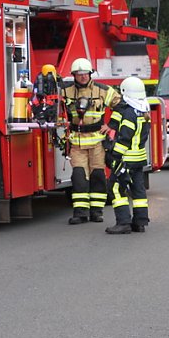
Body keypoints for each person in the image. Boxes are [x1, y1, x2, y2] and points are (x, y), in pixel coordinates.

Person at [63, 57, 123, 225]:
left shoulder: (103, 90)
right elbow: (51, 100)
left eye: (85, 74)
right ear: (74, 75)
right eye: (79, 74)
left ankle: (97, 212)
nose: (82, 77)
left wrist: (111, 124)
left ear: (90, 74)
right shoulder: (65, 91)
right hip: (77, 142)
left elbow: (121, 105)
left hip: (97, 142)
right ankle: (80, 213)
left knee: (98, 176)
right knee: (79, 177)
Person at [105, 77, 150, 234]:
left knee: (116, 188)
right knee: (138, 190)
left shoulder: (129, 113)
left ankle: (123, 223)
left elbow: (125, 138)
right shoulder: (144, 110)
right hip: (139, 158)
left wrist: (114, 155)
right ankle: (140, 222)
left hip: (126, 159)